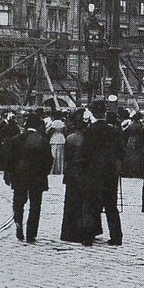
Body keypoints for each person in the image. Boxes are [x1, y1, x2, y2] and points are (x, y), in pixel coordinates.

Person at [3, 113, 53, 243]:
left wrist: (8, 174)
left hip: (19, 175)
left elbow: (10, 159)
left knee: (19, 201)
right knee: (35, 205)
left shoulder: (16, 139)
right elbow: (49, 161)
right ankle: (31, 233)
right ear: (38, 125)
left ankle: (18, 222)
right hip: (37, 177)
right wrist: (44, 173)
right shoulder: (43, 140)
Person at [79, 100, 123, 246]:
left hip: (93, 173)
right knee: (111, 205)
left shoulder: (89, 131)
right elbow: (121, 153)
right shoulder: (114, 131)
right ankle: (116, 237)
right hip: (110, 172)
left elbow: (84, 153)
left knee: (91, 205)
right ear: (105, 113)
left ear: (92, 113)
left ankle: (88, 237)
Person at [61, 109, 90, 243]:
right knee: (84, 203)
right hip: (84, 172)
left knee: (70, 203)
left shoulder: (70, 138)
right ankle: (83, 231)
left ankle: (68, 232)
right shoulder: (88, 139)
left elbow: (67, 157)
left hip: (72, 172)